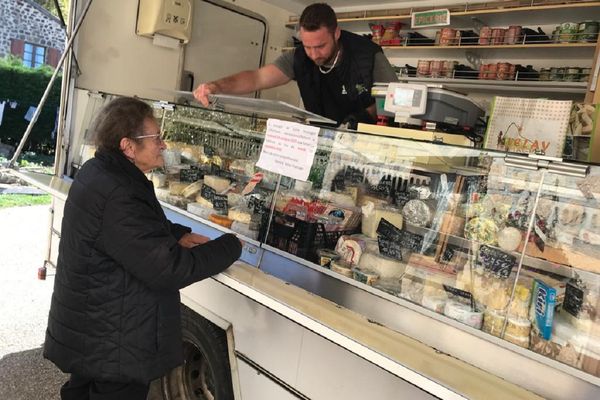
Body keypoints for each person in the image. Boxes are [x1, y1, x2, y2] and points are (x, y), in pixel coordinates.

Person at [43, 97, 243, 400]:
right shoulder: (118, 190)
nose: (163, 145)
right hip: (115, 341)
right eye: (156, 138)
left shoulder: (101, 171)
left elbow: (128, 231)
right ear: (128, 146)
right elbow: (169, 268)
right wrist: (231, 246)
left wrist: (176, 234)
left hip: (94, 330)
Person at [193, 2, 398, 128]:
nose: (313, 54)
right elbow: (257, 78)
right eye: (307, 46)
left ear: (336, 34)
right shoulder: (299, 57)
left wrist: (361, 118)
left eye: (320, 46)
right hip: (319, 139)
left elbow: (394, 105)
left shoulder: (369, 56)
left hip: (365, 144)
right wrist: (216, 87)